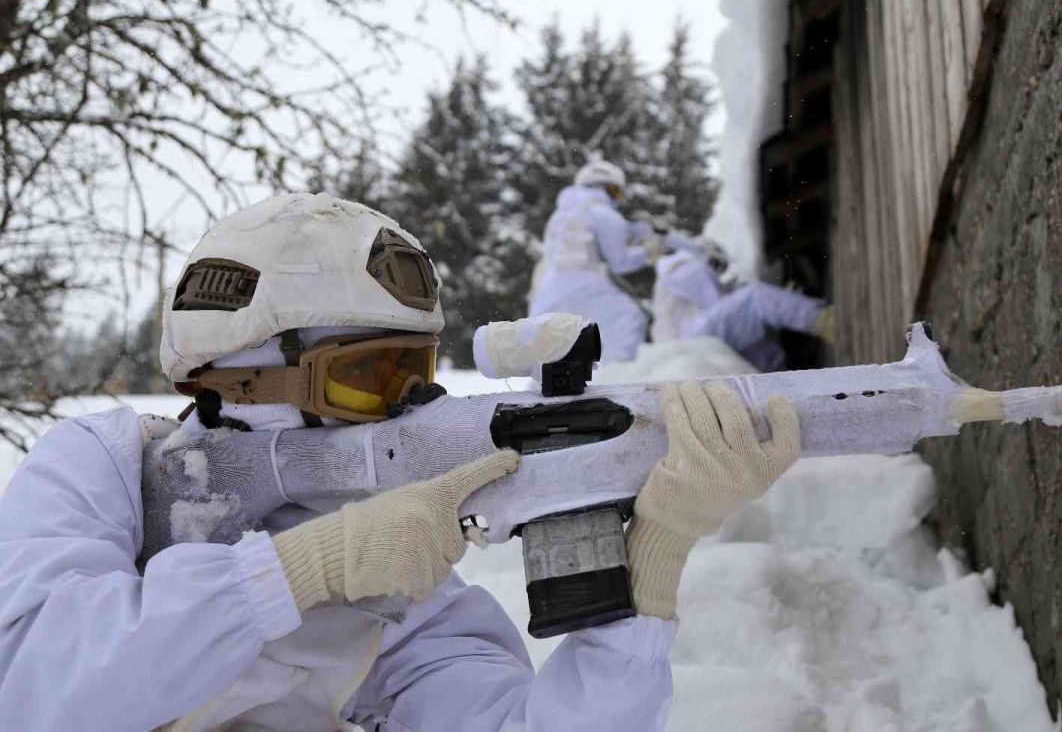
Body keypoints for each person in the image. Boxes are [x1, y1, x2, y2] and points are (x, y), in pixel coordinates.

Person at [0, 192, 802, 731]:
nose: (397, 409)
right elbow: (34, 691)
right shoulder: (100, 466)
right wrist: (298, 570)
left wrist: (643, 585)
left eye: (414, 376)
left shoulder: (401, 591)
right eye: (366, 378)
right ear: (237, 379)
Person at [530, 160, 676, 363]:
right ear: (607, 188)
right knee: (629, 319)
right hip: (583, 285)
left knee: (556, 354)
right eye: (616, 191)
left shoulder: (559, 216)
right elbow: (620, 262)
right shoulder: (604, 213)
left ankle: (540, 391)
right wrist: (650, 252)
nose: (616, 199)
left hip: (546, 292)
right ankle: (616, 380)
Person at [651, 245, 833, 372]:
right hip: (697, 337)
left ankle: (789, 375)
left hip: (690, 346)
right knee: (754, 300)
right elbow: (712, 300)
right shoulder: (681, 267)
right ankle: (826, 321)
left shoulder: (667, 281)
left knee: (751, 344)